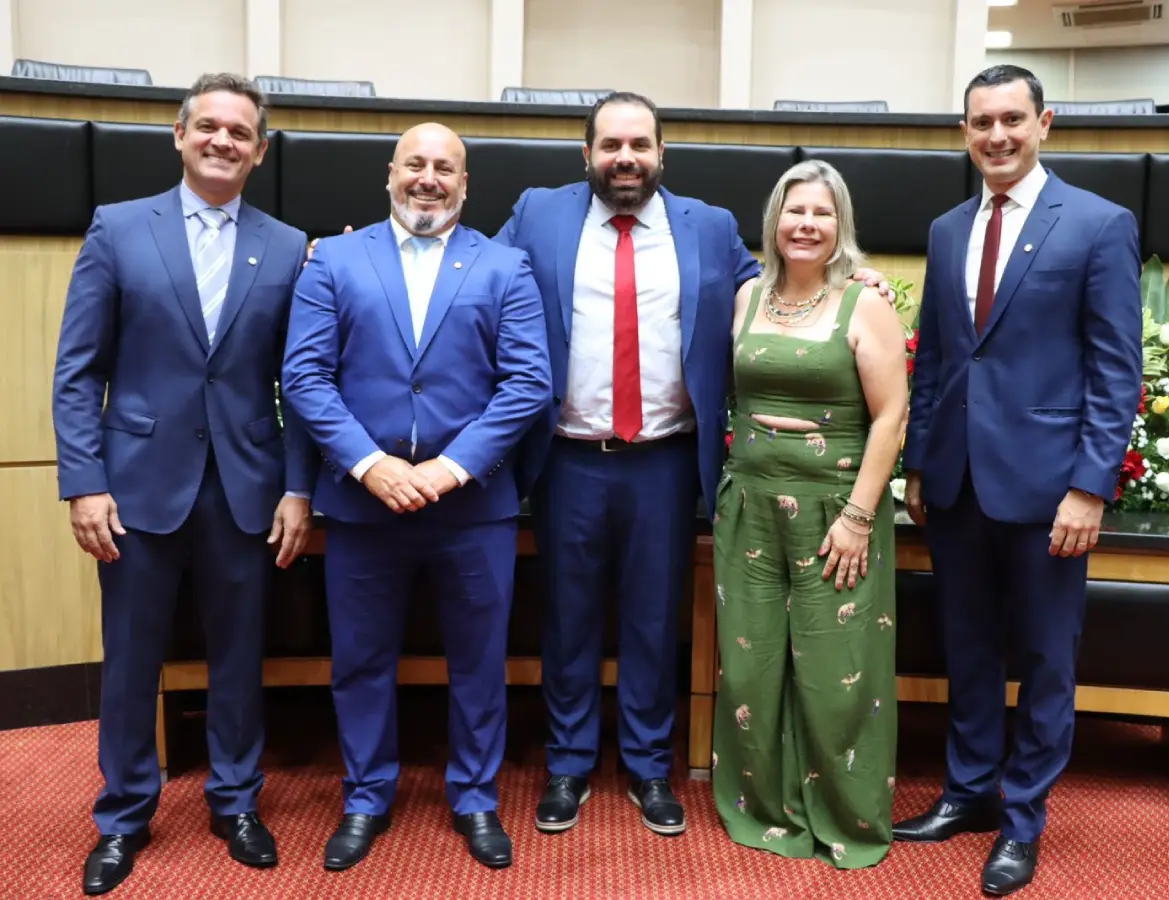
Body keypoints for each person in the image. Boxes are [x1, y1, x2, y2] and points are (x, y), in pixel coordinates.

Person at [491, 91, 893, 836]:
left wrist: (853, 279)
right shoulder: (538, 214)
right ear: (586, 154)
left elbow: (779, 282)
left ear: (661, 155)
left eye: (640, 145)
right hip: (567, 456)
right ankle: (569, 764)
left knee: (653, 618)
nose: (625, 159)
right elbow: (477, 275)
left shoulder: (706, 227)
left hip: (666, 463)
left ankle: (648, 768)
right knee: (568, 617)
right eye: (610, 145)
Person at [52, 73, 316, 895]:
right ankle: (124, 814)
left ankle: (236, 801)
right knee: (131, 658)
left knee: (239, 655)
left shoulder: (285, 244)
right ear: (179, 135)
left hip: (246, 484)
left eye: (240, 132)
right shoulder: (119, 229)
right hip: (136, 488)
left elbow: (302, 381)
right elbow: (77, 371)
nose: (222, 142)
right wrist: (83, 481)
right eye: (208, 127)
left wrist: (298, 487)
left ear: (260, 150)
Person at [895, 65, 1143, 896]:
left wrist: (1090, 486)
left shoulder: (1100, 225)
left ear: (1046, 123)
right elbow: (932, 357)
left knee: (1043, 658)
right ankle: (968, 791)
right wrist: (923, 462)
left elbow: (1116, 370)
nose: (995, 136)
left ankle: (1024, 815)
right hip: (959, 482)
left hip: (1048, 493)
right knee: (966, 646)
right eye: (979, 123)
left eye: (1011, 119)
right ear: (963, 132)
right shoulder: (945, 228)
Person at [282, 123, 551, 871]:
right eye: (416, 165)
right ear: (390, 174)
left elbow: (529, 381)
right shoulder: (333, 259)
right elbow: (305, 377)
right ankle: (365, 797)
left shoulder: (506, 266)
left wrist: (451, 467)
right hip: (365, 506)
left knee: (478, 660)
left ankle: (475, 798)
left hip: (471, 508)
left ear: (465, 186)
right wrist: (369, 464)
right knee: (361, 662)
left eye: (446, 168)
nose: (428, 179)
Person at [711, 160, 906, 868]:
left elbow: (891, 418)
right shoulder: (747, 297)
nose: (806, 225)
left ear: (839, 226)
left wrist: (857, 517)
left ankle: (847, 818)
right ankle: (766, 807)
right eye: (795, 212)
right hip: (751, 508)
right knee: (750, 665)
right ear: (774, 220)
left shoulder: (866, 303)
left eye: (822, 214)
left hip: (837, 512)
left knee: (834, 670)